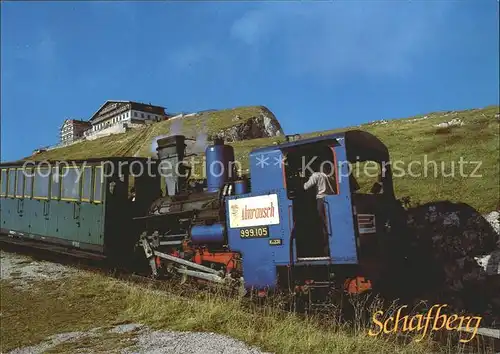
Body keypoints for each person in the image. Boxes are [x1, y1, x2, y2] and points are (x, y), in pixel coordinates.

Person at [303, 161, 336, 252]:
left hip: (321, 200)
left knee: (322, 223)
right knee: (329, 223)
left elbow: (306, 187)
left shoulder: (316, 175)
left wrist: (301, 183)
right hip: (330, 200)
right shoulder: (329, 176)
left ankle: (325, 246)